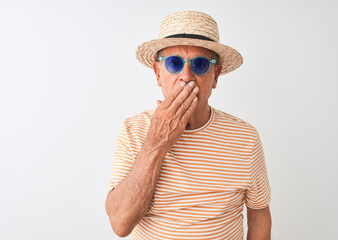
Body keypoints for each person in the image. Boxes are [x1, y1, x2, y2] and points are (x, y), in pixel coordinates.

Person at [105, 10, 271, 240]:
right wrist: (157, 141)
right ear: (157, 73)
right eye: (174, 63)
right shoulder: (133, 131)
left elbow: (259, 215)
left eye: (200, 64)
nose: (186, 76)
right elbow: (120, 224)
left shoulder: (246, 137)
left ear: (215, 76)